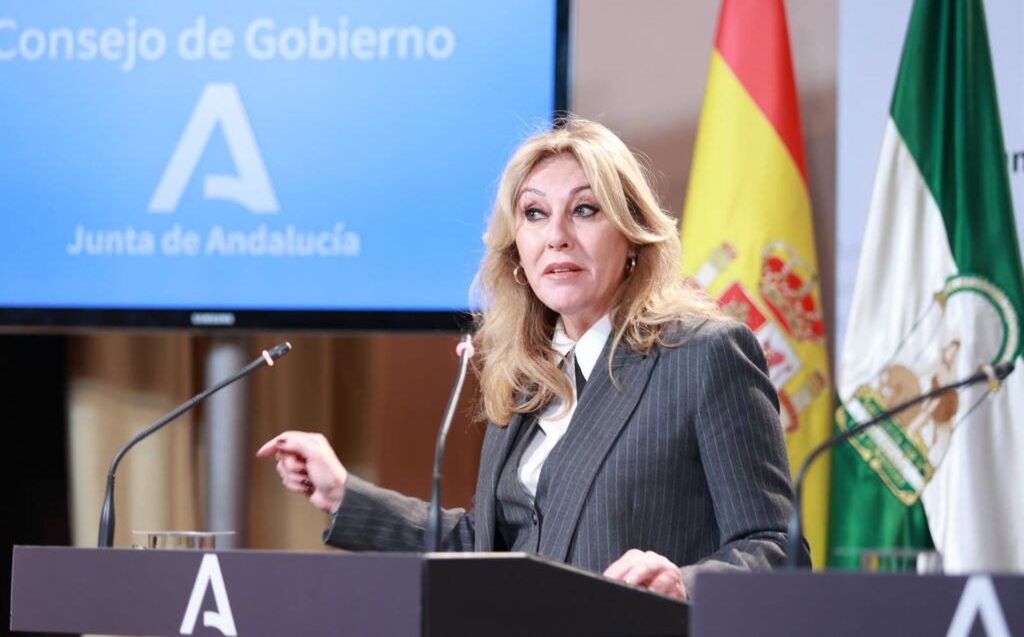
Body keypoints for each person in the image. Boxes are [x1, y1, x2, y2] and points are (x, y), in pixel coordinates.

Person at [257, 117, 810, 601]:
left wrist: (682, 584)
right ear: (517, 250)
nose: (557, 237)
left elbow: (775, 549)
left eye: (585, 210)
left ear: (632, 236)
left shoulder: (703, 355)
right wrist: (344, 494)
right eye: (535, 214)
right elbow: (486, 552)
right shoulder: (528, 376)